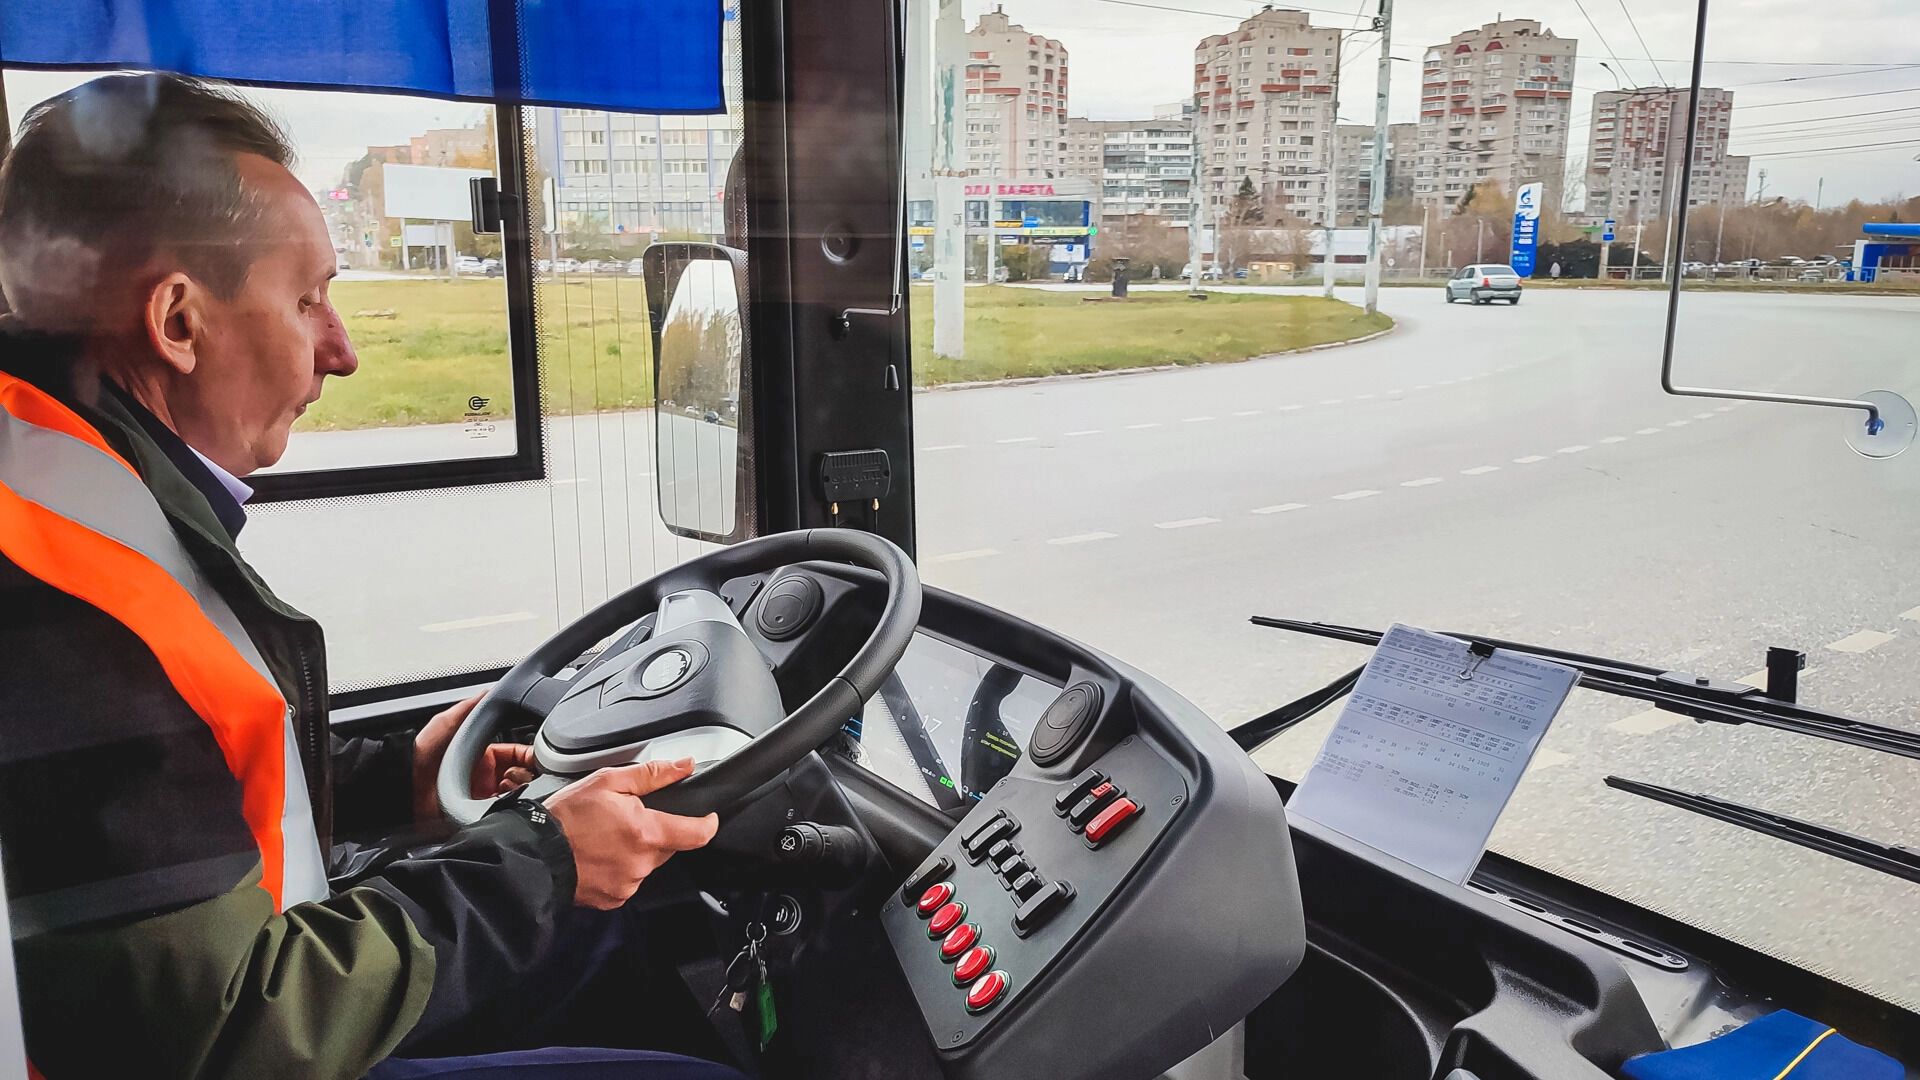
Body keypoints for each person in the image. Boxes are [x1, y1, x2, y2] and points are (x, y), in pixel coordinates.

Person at [0, 74, 739, 1079]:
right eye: (307, 300)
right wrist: (543, 861)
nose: (341, 351)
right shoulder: (68, 605)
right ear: (178, 323)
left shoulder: (68, 484)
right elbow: (221, 1028)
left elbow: (183, 803)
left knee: (614, 943)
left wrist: (398, 779)